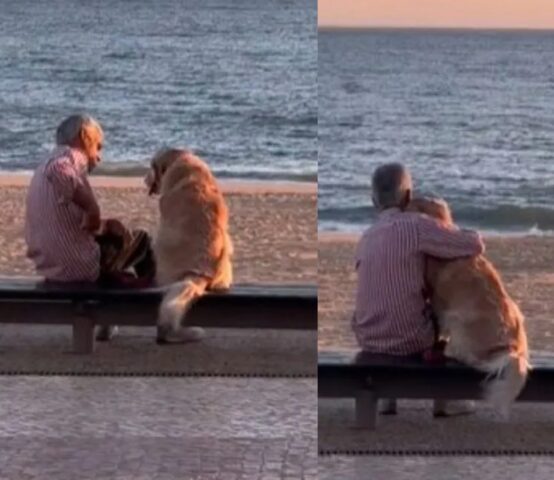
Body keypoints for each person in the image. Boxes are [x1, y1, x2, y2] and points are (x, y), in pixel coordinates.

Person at [353, 163, 484, 416]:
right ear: (409, 196)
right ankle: (445, 400)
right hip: (410, 339)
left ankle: (388, 399)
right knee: (446, 311)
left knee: (393, 297)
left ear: (373, 201)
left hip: (367, 337)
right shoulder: (416, 226)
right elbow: (474, 244)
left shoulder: (366, 237)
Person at [25, 114, 155, 340]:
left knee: (118, 242)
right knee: (141, 241)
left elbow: (72, 224)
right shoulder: (66, 160)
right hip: (76, 267)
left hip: (51, 266)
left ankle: (108, 319)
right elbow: (60, 172)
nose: (99, 156)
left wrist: (104, 225)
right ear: (84, 136)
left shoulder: (42, 166)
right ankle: (165, 324)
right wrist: (92, 207)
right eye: (98, 146)